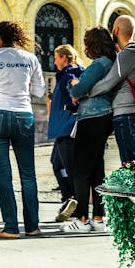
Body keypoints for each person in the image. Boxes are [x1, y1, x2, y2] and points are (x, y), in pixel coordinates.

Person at [0, 21, 46, 239]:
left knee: (3, 174)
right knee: (28, 173)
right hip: (23, 114)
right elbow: (40, 91)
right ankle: (32, 226)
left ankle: (11, 227)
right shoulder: (30, 58)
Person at [61, 27, 117, 233]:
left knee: (80, 170)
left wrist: (75, 83)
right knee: (96, 170)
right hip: (103, 118)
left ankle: (82, 220)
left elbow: (77, 90)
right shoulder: (111, 63)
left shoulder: (99, 64)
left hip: (91, 118)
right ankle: (99, 218)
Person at [90, 15, 135, 164]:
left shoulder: (128, 54)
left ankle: (134, 188)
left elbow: (108, 83)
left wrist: (87, 92)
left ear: (116, 30)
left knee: (129, 164)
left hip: (127, 114)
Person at [48, 44, 84, 222]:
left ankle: (75, 204)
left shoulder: (69, 73)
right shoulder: (77, 70)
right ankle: (69, 198)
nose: (54, 62)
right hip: (63, 127)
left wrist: (75, 95)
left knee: (69, 168)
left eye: (56, 58)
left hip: (68, 127)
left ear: (64, 57)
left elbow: (75, 85)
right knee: (57, 163)